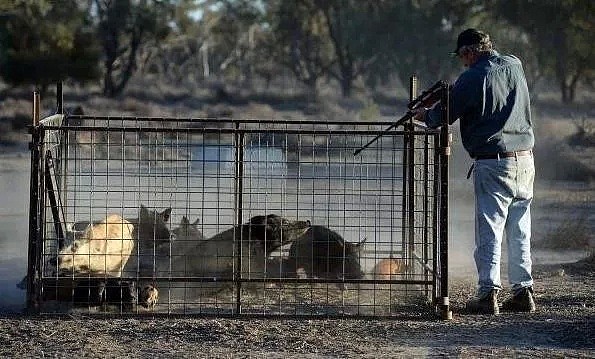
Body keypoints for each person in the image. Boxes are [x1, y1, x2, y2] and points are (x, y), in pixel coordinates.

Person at [413, 28, 536, 315]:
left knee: (489, 229)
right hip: (525, 158)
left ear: (469, 52)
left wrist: (424, 115)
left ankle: (487, 293)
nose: (462, 63)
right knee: (520, 229)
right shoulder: (514, 64)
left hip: (493, 162)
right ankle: (523, 291)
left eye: (462, 57)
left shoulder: (472, 77)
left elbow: (444, 115)